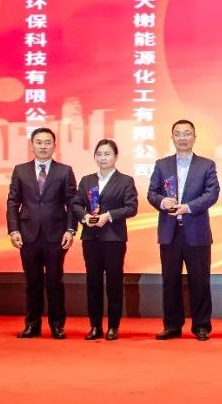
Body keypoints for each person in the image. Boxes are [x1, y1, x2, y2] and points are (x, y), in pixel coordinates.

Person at [146, 119, 220, 341]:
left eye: (187, 133)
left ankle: (201, 326)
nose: (182, 138)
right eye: (178, 134)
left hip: (196, 232)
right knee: (170, 281)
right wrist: (162, 202)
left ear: (194, 137)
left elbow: (212, 193)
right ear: (172, 138)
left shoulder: (206, 165)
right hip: (169, 232)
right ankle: (172, 325)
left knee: (200, 280)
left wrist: (188, 207)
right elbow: (152, 192)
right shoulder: (162, 165)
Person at [6, 126, 77, 339]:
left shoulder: (64, 171)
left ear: (54, 146)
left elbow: (72, 203)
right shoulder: (21, 170)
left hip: (56, 235)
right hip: (27, 235)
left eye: (47, 142)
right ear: (32, 145)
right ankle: (32, 325)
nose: (43, 146)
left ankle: (57, 325)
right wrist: (13, 230)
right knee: (32, 282)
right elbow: (13, 202)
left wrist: (70, 229)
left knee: (54, 282)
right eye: (39, 142)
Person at [71, 139, 138, 341]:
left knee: (114, 283)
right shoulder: (86, 180)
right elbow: (76, 204)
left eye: (107, 154)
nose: (103, 158)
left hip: (113, 239)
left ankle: (113, 326)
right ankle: (95, 326)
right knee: (93, 282)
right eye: (99, 154)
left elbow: (131, 208)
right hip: (90, 238)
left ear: (115, 156)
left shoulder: (125, 181)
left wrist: (108, 216)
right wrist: (85, 217)